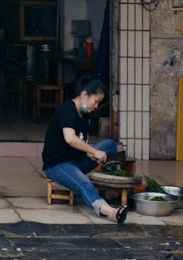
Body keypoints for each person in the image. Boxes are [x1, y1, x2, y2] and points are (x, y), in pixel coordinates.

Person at [42, 77, 129, 225]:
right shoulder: (67, 110)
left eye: (98, 103)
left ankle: (110, 189)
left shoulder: (86, 115)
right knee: (85, 185)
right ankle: (110, 212)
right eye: (95, 101)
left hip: (77, 161)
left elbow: (83, 144)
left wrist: (91, 154)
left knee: (109, 145)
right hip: (58, 165)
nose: (96, 106)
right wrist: (95, 152)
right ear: (84, 95)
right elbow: (70, 138)